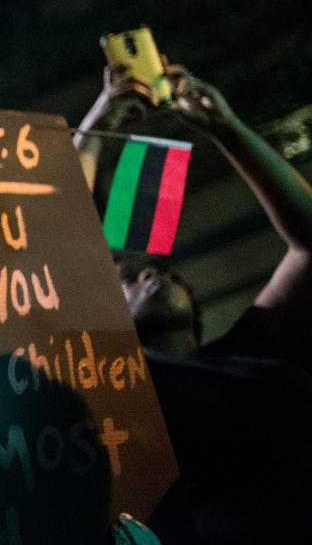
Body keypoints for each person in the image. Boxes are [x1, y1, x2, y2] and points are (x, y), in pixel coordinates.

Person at [76, 61, 312, 543]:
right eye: (126, 279)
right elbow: (54, 246)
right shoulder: (105, 395)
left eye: (163, 272)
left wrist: (228, 128)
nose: (148, 272)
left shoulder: (244, 358)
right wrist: (95, 126)